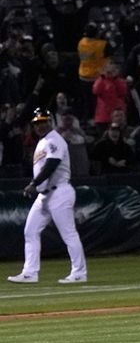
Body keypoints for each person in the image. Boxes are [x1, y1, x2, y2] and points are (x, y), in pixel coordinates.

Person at [8, 108, 88, 284]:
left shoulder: (54, 140)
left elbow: (52, 164)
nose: (40, 125)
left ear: (50, 121)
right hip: (45, 195)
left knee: (68, 234)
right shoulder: (43, 141)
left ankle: (79, 272)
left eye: (43, 121)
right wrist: (37, 186)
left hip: (59, 191)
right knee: (30, 231)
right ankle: (30, 272)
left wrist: (33, 184)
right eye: (37, 123)